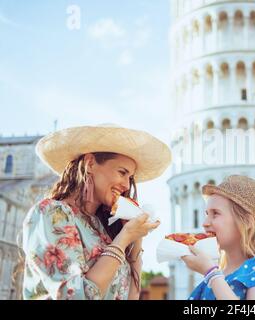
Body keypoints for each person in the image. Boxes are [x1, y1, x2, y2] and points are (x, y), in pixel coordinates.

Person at [22, 124, 171, 300]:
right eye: (122, 172)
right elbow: (75, 297)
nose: (125, 185)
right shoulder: (51, 213)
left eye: (129, 178)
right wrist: (124, 238)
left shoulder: (104, 229)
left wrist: (136, 239)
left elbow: (131, 296)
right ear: (90, 163)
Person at [181, 175, 255, 300]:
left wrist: (211, 273)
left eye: (215, 213)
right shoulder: (213, 279)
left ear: (246, 222)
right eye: (207, 214)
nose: (205, 223)